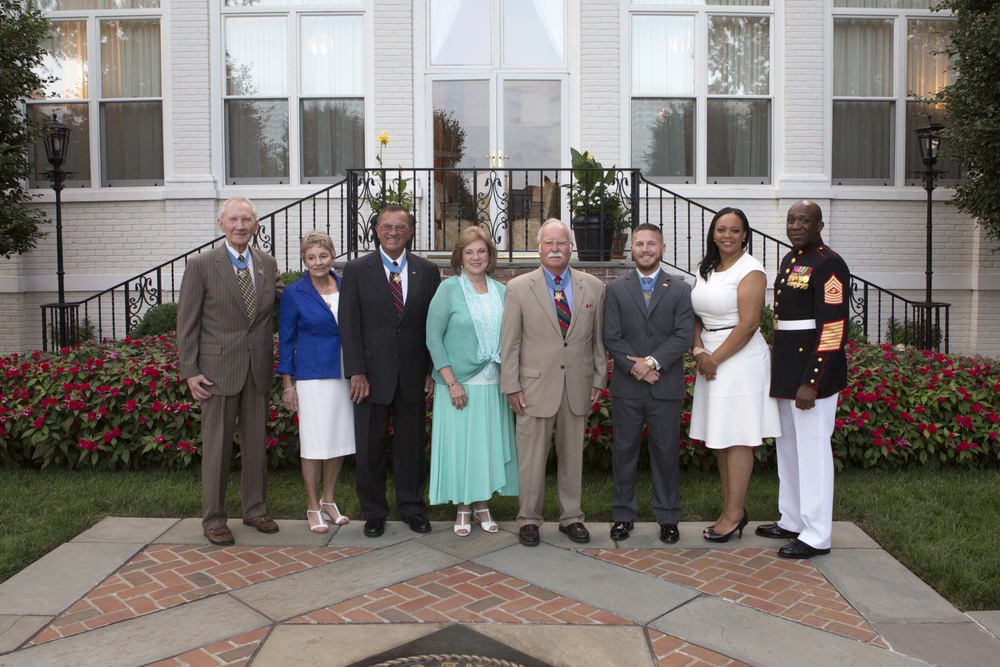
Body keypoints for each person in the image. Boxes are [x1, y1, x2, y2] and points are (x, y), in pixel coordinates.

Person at [178, 197, 285, 546]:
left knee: (256, 445)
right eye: (234, 219)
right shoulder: (202, 265)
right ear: (221, 224)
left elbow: (284, 302)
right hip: (216, 370)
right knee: (217, 448)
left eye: (247, 219)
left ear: (256, 224)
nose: (241, 225)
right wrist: (190, 370)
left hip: (256, 369)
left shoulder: (267, 263)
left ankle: (255, 509)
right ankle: (214, 518)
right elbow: (187, 322)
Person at [500, 219, 607, 547]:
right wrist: (512, 386)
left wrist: (598, 381)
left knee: (572, 457)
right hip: (533, 388)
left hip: (577, 384)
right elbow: (510, 344)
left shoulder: (594, 287)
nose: (556, 249)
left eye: (561, 243)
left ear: (571, 248)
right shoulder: (518, 288)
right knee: (531, 458)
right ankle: (529, 519)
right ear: (539, 248)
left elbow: (597, 341)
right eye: (549, 243)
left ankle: (571, 517)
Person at [339, 205, 441, 538]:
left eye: (400, 226)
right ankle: (374, 511)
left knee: (412, 447)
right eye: (387, 226)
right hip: (369, 375)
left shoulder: (427, 271)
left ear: (411, 232)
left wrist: (430, 370)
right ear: (377, 230)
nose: (393, 232)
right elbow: (349, 324)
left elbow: (433, 325)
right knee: (371, 446)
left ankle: (412, 507)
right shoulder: (357, 269)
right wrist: (356, 371)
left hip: (413, 373)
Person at [756, 200, 851, 559]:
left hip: (813, 371)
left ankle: (816, 534)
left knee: (812, 451)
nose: (796, 225)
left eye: (804, 220)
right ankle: (793, 518)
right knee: (790, 448)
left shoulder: (829, 264)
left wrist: (814, 379)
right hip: (787, 367)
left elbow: (833, 328)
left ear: (820, 225)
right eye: (791, 219)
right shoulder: (792, 258)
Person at [689, 208, 781, 543]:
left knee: (738, 436)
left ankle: (733, 513)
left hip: (739, 360)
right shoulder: (706, 268)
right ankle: (731, 510)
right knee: (720, 435)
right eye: (721, 229)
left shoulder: (751, 270)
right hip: (709, 355)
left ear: (745, 234)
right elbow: (695, 313)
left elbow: (749, 324)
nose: (727, 235)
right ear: (713, 233)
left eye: (735, 230)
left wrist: (714, 359)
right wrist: (699, 350)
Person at [603, 223, 694, 544]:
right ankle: (622, 515)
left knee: (666, 454)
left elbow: (683, 335)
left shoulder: (681, 289)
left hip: (664, 388)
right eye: (639, 244)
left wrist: (652, 363)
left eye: (651, 244)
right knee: (624, 453)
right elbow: (611, 336)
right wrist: (638, 369)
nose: (645, 249)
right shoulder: (615, 289)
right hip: (628, 390)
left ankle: (668, 517)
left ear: (663, 248)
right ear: (632, 250)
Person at [426, 226, 518, 536]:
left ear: (490, 256)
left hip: (493, 384)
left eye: (481, 251)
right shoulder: (448, 289)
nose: (476, 257)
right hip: (459, 385)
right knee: (462, 448)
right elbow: (433, 338)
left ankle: (482, 505)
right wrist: (450, 381)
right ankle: (463, 507)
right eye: (469, 252)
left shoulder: (503, 292)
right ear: (460, 257)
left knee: (485, 448)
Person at [278, 230, 355, 534]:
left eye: (323, 256)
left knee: (339, 438)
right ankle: (312, 505)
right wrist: (287, 384)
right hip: (311, 375)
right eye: (311, 257)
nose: (318, 262)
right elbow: (286, 340)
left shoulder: (346, 284)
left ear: (332, 256)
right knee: (313, 442)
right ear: (304, 260)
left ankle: (329, 500)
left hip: (344, 373)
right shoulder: (295, 293)